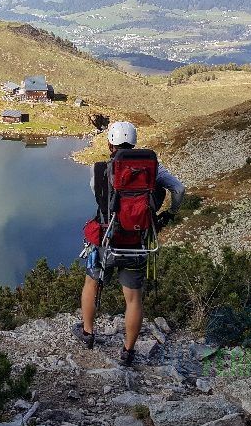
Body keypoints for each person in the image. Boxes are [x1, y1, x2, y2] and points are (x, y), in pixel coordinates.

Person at [73, 121, 185, 366]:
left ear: (109, 144)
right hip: (137, 242)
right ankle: (128, 351)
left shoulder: (99, 168)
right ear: (134, 142)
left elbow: (98, 195)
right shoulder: (153, 168)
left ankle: (88, 333)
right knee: (133, 298)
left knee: (92, 284)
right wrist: (170, 214)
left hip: (106, 240)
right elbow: (179, 189)